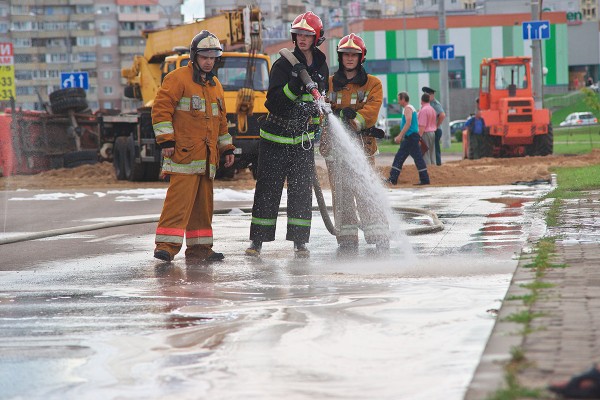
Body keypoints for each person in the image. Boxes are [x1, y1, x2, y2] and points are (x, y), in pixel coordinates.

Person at [245, 12, 329, 258]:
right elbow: (274, 103)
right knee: (268, 190)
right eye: (299, 34)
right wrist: (294, 85)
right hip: (276, 139)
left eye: (307, 35)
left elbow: (318, 104)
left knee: (302, 192)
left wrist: (316, 130)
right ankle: (257, 242)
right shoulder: (283, 64)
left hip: (302, 141)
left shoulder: (322, 65)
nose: (302, 39)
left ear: (316, 37)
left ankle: (300, 242)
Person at [151, 30, 235, 262]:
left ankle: (200, 250)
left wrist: (226, 148)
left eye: (213, 57)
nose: (209, 61)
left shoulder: (216, 85)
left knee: (203, 208)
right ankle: (166, 247)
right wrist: (166, 140)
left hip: (208, 159)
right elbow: (161, 110)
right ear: (194, 56)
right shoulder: (177, 78)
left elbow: (221, 122)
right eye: (204, 56)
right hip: (183, 156)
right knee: (177, 206)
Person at [319, 33, 389, 251]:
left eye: (354, 55)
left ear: (361, 57)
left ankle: (378, 235)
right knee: (341, 195)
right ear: (340, 57)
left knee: (366, 190)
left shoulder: (373, 84)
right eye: (345, 54)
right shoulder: (328, 83)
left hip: (361, 147)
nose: (349, 58)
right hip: (335, 149)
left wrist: (352, 119)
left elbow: (370, 111)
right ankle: (347, 238)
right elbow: (321, 110)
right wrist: (335, 115)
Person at [385, 91, 430, 186]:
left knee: (399, 157)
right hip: (412, 137)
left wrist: (400, 136)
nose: (398, 102)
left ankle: (393, 179)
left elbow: (408, 123)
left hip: (410, 137)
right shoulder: (410, 108)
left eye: (399, 100)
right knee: (417, 158)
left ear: (403, 99)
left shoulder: (407, 108)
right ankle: (425, 179)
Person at [422, 86, 446, 166]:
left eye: (428, 94)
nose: (427, 96)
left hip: (436, 130)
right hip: (431, 130)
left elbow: (442, 115)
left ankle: (438, 165)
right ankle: (433, 165)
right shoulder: (429, 104)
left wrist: (436, 126)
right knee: (431, 149)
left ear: (432, 95)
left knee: (435, 149)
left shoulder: (435, 104)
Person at [418, 93, 437, 165]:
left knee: (426, 154)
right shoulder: (432, 109)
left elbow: (422, 126)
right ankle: (434, 170)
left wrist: (418, 137)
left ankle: (428, 171)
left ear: (421, 100)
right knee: (432, 154)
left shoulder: (423, 110)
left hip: (425, 134)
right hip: (432, 132)